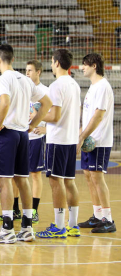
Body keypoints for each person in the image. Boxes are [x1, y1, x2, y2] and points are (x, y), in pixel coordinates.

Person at [0, 44, 52, 244]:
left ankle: (7, 228)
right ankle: (27, 228)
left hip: (9, 133)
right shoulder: (25, 79)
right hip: (24, 134)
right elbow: (46, 103)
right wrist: (33, 124)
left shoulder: (3, 79)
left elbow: (3, 103)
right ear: (12, 59)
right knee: (22, 180)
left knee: (4, 180)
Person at [36, 49, 82, 239]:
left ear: (56, 63)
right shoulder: (75, 85)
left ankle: (59, 225)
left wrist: (37, 116)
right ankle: (72, 225)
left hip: (59, 140)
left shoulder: (56, 85)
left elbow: (54, 116)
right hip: (70, 138)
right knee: (69, 182)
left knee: (56, 182)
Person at [77, 53, 116, 233]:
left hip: (98, 140)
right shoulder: (93, 87)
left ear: (94, 66)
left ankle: (108, 219)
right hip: (89, 140)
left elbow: (99, 116)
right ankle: (97, 215)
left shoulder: (102, 87)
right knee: (88, 175)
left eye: (84, 64)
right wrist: (81, 132)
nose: (81, 67)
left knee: (97, 177)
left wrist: (82, 136)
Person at [25, 59, 49, 223]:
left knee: (35, 174)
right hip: (21, 136)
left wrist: (46, 129)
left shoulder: (45, 91)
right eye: (26, 70)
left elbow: (56, 116)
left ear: (38, 72)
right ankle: (15, 210)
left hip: (36, 138)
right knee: (15, 175)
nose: (27, 73)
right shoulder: (22, 89)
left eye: (30, 70)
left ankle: (34, 210)